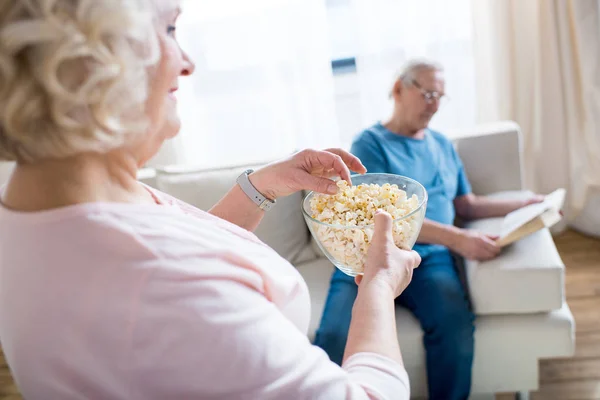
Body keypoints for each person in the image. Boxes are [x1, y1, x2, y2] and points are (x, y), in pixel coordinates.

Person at [0, 1, 422, 399]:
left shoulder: (46, 202)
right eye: (168, 28)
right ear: (90, 60)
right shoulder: (159, 285)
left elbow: (187, 258)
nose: (187, 63)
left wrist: (262, 186)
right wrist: (380, 284)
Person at [314, 60, 545, 400]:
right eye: (428, 94)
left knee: (455, 329)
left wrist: (527, 203)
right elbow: (382, 217)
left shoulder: (442, 144)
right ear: (398, 89)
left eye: (441, 97)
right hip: (366, 260)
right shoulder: (370, 143)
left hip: (429, 259)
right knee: (333, 336)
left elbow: (466, 204)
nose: (435, 104)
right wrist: (458, 239)